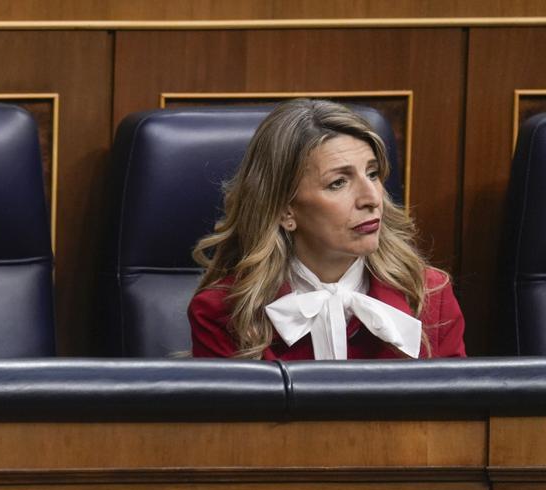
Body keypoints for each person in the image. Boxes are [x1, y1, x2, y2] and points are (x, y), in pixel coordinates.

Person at [187, 99, 465, 360]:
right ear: (286, 210)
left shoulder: (430, 295)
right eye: (338, 183)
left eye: (372, 174)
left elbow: (459, 409)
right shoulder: (222, 313)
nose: (372, 198)